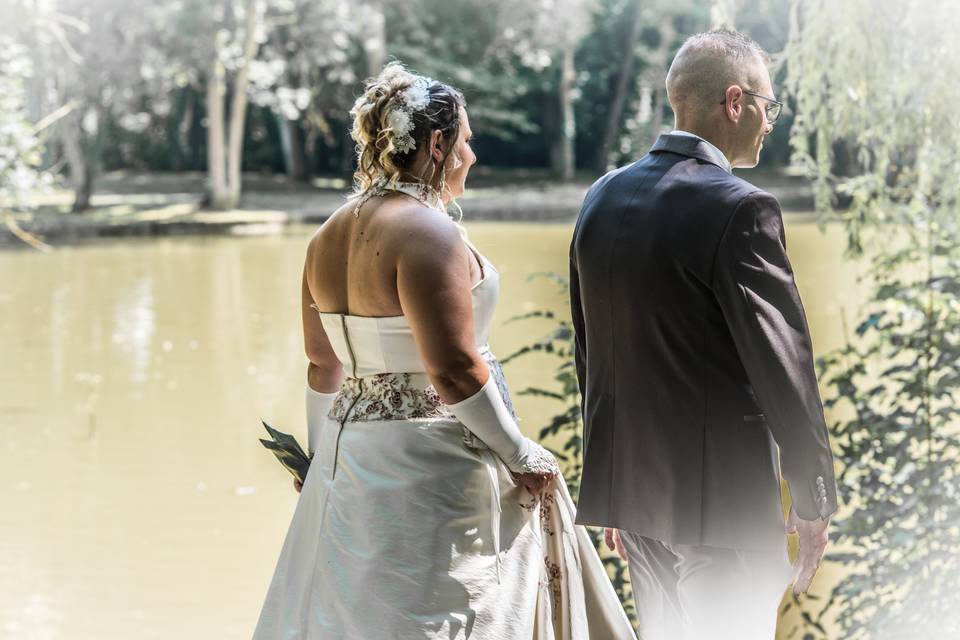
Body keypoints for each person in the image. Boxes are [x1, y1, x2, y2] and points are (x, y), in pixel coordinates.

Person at [253, 63, 634, 639]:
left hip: (352, 460)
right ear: (437, 143)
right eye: (467, 141)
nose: (472, 156)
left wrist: (317, 457)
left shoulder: (324, 236)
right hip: (430, 465)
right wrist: (518, 452)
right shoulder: (429, 234)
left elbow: (323, 364)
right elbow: (453, 369)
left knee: (356, 607)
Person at [569, 29, 839, 640]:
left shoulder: (602, 198)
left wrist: (614, 480)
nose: (771, 122)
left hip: (638, 500)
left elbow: (595, 352)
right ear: (736, 101)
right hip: (726, 511)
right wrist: (814, 495)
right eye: (770, 106)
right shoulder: (741, 208)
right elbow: (785, 368)